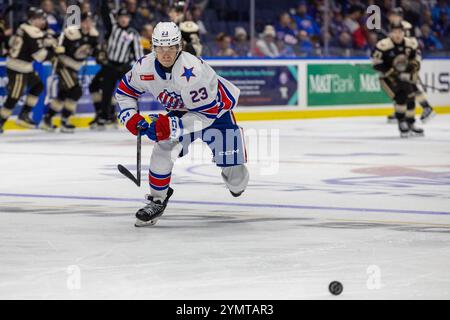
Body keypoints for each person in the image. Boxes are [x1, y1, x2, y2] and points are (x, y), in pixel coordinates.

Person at [115, 22, 249, 227]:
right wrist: (131, 118)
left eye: (171, 47)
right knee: (164, 146)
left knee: (236, 180)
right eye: (160, 47)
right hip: (184, 110)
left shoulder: (192, 71)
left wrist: (169, 125)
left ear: (180, 47)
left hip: (216, 113)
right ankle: (157, 200)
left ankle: (235, 177)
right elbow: (125, 92)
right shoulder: (144, 67)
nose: (166, 53)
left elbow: (206, 115)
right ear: (153, 47)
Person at [0, 7, 62, 134]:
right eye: (40, 19)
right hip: (18, 67)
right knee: (14, 96)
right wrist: (54, 52)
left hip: (25, 67)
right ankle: (1, 121)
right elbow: (39, 55)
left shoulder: (24, 27)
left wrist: (49, 38)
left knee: (38, 86)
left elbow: (37, 40)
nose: (43, 21)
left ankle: (24, 114)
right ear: (33, 20)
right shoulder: (32, 32)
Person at [40, 12, 100, 133]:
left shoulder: (93, 35)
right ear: (80, 23)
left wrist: (98, 53)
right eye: (85, 21)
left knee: (64, 93)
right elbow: (56, 45)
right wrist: (58, 48)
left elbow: (94, 50)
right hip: (63, 64)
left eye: (90, 21)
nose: (88, 24)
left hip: (75, 66)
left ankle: (47, 118)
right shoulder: (70, 33)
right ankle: (64, 120)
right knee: (76, 90)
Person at [90, 0, 143, 130]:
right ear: (117, 18)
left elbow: (138, 54)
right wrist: (104, 3)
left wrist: (141, 70)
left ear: (129, 19)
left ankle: (136, 117)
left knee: (130, 93)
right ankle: (104, 117)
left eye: (126, 17)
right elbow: (105, 14)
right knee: (106, 92)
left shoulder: (133, 34)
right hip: (110, 66)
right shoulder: (113, 27)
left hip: (124, 67)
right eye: (121, 17)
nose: (124, 20)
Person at [371, 22, 423, 138]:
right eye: (395, 32)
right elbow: (376, 64)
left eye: (400, 32)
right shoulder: (383, 46)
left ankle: (410, 123)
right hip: (387, 78)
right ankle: (402, 122)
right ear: (390, 33)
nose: (397, 35)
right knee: (401, 96)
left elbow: (416, 60)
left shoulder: (410, 44)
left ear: (404, 33)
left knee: (411, 96)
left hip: (403, 77)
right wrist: (390, 71)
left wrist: (409, 70)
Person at [384, 7, 435, 124]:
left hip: (408, 59)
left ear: (399, 16)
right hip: (403, 59)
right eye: (390, 14)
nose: (391, 16)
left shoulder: (404, 26)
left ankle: (426, 107)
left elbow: (405, 45)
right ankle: (402, 111)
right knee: (402, 85)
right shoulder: (395, 26)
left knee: (409, 85)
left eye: (393, 15)